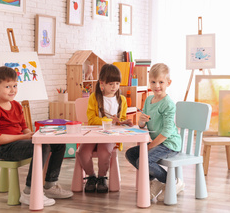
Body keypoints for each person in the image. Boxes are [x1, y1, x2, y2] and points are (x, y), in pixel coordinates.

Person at [0, 66, 73, 207]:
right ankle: (30, 192)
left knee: (58, 143)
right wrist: (24, 137)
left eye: (15, 85)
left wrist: (32, 135)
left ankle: (50, 186)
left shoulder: (16, 105)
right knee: (42, 147)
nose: (13, 90)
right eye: (8, 87)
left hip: (17, 144)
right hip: (2, 149)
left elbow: (23, 127)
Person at [125, 63, 183, 201]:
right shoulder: (149, 100)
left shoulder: (168, 104)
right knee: (130, 154)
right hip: (158, 142)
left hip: (169, 143)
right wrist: (141, 120)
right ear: (149, 82)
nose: (157, 85)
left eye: (161, 82)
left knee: (144, 160)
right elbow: (141, 125)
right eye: (153, 82)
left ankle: (173, 182)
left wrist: (150, 146)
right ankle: (154, 181)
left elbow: (166, 132)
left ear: (168, 83)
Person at [76, 64, 132, 193]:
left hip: (110, 135)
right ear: (102, 83)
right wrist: (108, 120)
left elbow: (120, 120)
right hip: (93, 133)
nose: (115, 87)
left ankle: (102, 177)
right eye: (111, 84)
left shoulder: (122, 100)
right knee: (82, 152)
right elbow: (91, 120)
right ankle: (91, 176)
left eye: (117, 84)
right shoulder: (94, 98)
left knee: (104, 152)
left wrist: (123, 122)